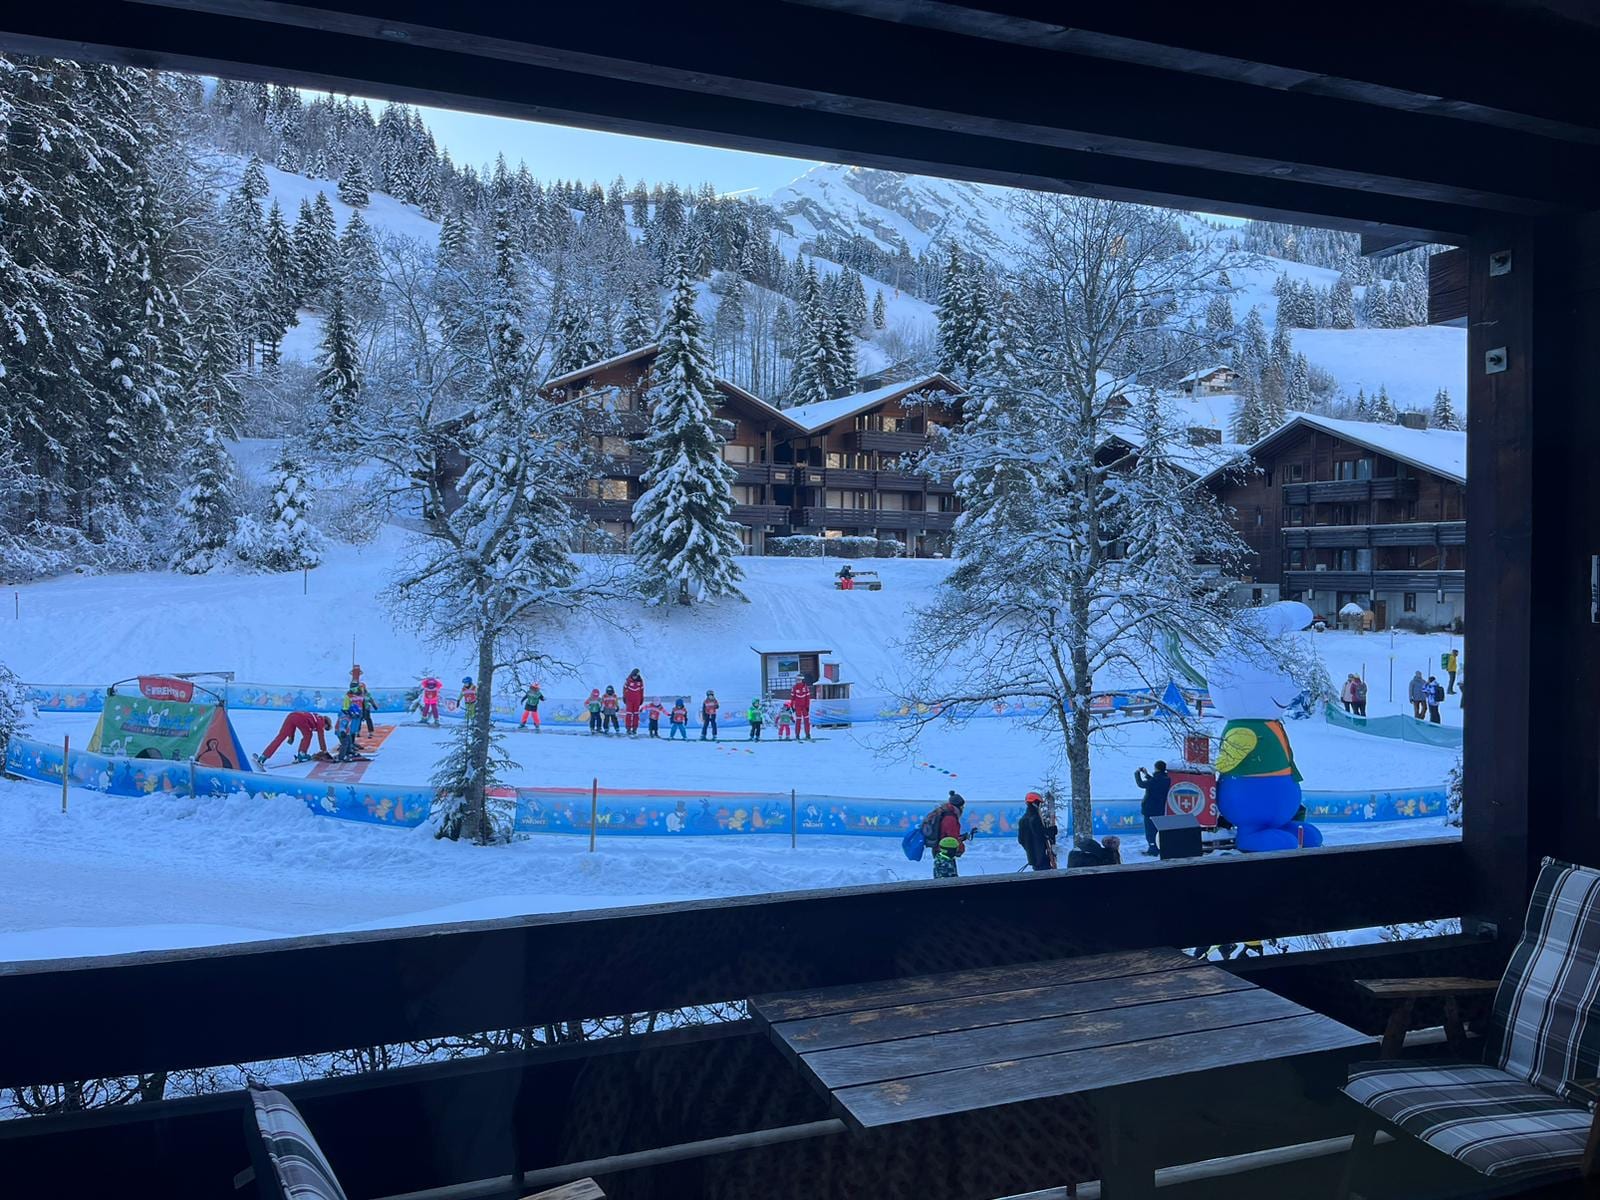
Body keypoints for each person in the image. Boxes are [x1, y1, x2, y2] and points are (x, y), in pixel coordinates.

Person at [255, 711, 331, 766]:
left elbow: (295, 723)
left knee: (281, 737)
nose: (323, 729)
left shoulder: (315, 717)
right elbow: (321, 737)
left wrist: (291, 736)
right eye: (326, 728)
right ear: (326, 723)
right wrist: (324, 751)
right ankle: (302, 754)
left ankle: (263, 756)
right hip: (300, 718)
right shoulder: (321, 721)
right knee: (308, 735)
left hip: (292, 715)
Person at [1134, 760, 1171, 857]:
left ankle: (1153, 849)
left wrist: (1137, 773)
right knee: (1158, 830)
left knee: (1150, 832)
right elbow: (1154, 782)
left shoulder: (1155, 780)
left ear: (1156, 768)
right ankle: (1160, 847)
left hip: (1150, 810)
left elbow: (1141, 784)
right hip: (1160, 809)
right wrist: (1146, 774)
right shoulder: (1166, 779)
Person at [1017, 791, 1058, 871]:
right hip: (1042, 857)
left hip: (1033, 859)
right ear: (1034, 803)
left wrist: (1030, 849)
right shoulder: (1035, 818)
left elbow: (1021, 840)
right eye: (1039, 803)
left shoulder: (1023, 820)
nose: (1040, 805)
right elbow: (1042, 835)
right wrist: (1052, 830)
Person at [790, 674, 813, 741]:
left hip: (804, 706)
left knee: (806, 721)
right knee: (798, 720)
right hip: (797, 707)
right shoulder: (794, 688)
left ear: (802, 680)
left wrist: (807, 706)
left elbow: (807, 698)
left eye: (799, 680)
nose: (798, 681)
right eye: (797, 680)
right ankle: (797, 735)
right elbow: (792, 698)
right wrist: (792, 706)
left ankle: (808, 734)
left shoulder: (806, 687)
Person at [623, 668, 645, 736]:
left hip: (637, 700)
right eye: (633, 675)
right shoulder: (628, 681)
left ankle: (635, 729)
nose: (634, 677)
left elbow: (642, 691)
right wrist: (624, 697)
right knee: (629, 714)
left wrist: (641, 699)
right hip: (629, 700)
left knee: (636, 714)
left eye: (636, 676)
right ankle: (628, 729)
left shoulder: (640, 682)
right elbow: (624, 689)